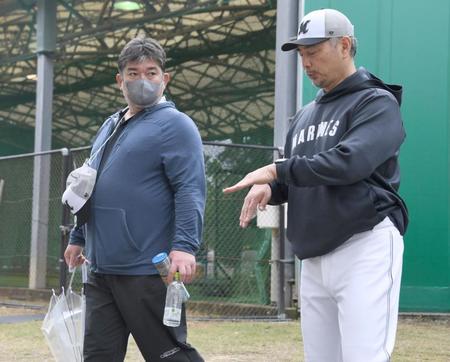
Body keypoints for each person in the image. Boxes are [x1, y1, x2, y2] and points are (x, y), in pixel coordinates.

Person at [224, 8, 408, 362]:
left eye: (314, 51)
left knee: (363, 357)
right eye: (302, 54)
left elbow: (350, 162)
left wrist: (277, 172)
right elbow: (301, 177)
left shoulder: (375, 102)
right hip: (313, 253)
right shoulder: (305, 115)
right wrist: (273, 189)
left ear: (344, 46)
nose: (306, 62)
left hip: (363, 244)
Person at [63, 37, 206, 361]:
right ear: (120, 80)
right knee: (98, 355)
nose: (143, 80)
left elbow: (190, 189)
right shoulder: (110, 125)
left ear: (164, 78)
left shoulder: (176, 126)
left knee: (168, 354)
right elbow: (90, 183)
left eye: (151, 72)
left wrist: (184, 246)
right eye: (133, 73)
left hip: (145, 269)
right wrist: (78, 236)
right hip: (100, 269)